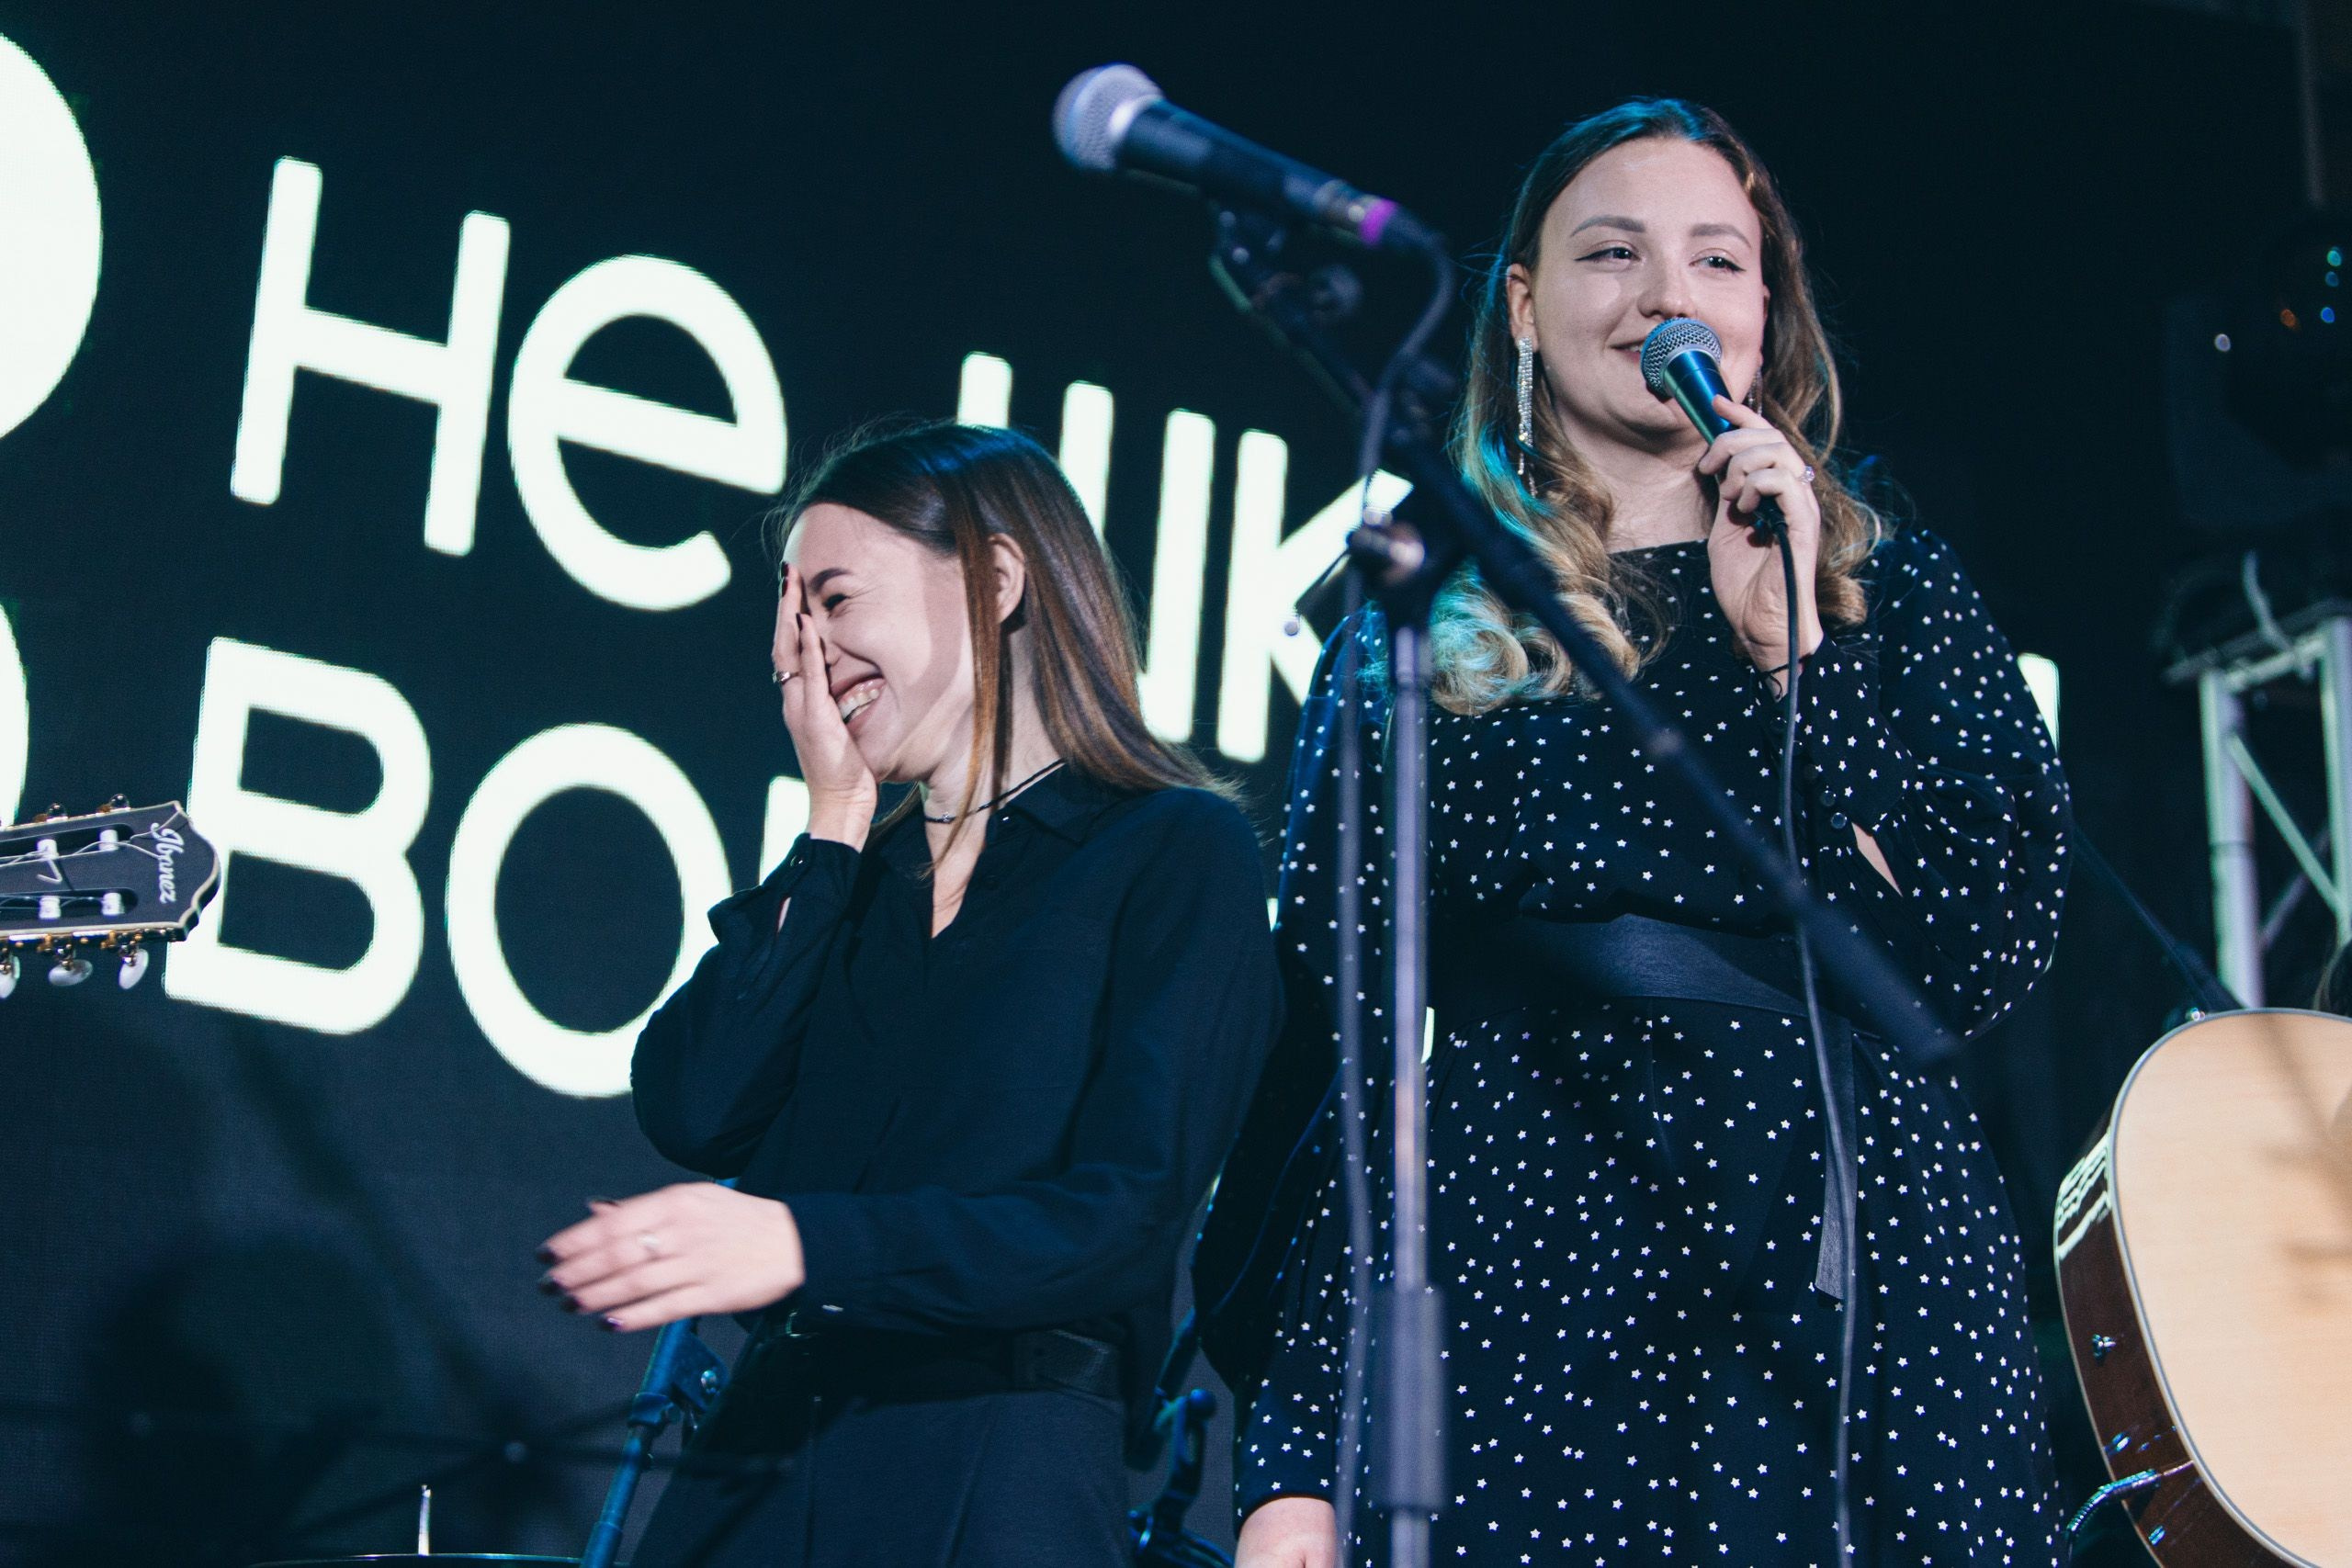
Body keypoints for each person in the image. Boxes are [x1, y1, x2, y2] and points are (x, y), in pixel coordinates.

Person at [1198, 99, 2070, 1565]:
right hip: (1526, 1261)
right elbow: (1330, 1065)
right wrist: (1293, 1452)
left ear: (1766, 317)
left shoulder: (1894, 589)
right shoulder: (1414, 625)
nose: (1669, 294)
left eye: (1718, 260)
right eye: (1615, 252)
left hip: (1864, 1264)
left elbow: (1977, 954)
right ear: (1527, 307)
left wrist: (1797, 654)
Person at [536, 422, 1282, 1567]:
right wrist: (831, 827)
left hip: (998, 1457)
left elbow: (1121, 1219)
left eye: (832, 601)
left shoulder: (1171, 851)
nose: (800, 656)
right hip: (767, 1457)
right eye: (788, 620)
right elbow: (694, 1104)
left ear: (994, 578)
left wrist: (806, 1245)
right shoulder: (856, 885)